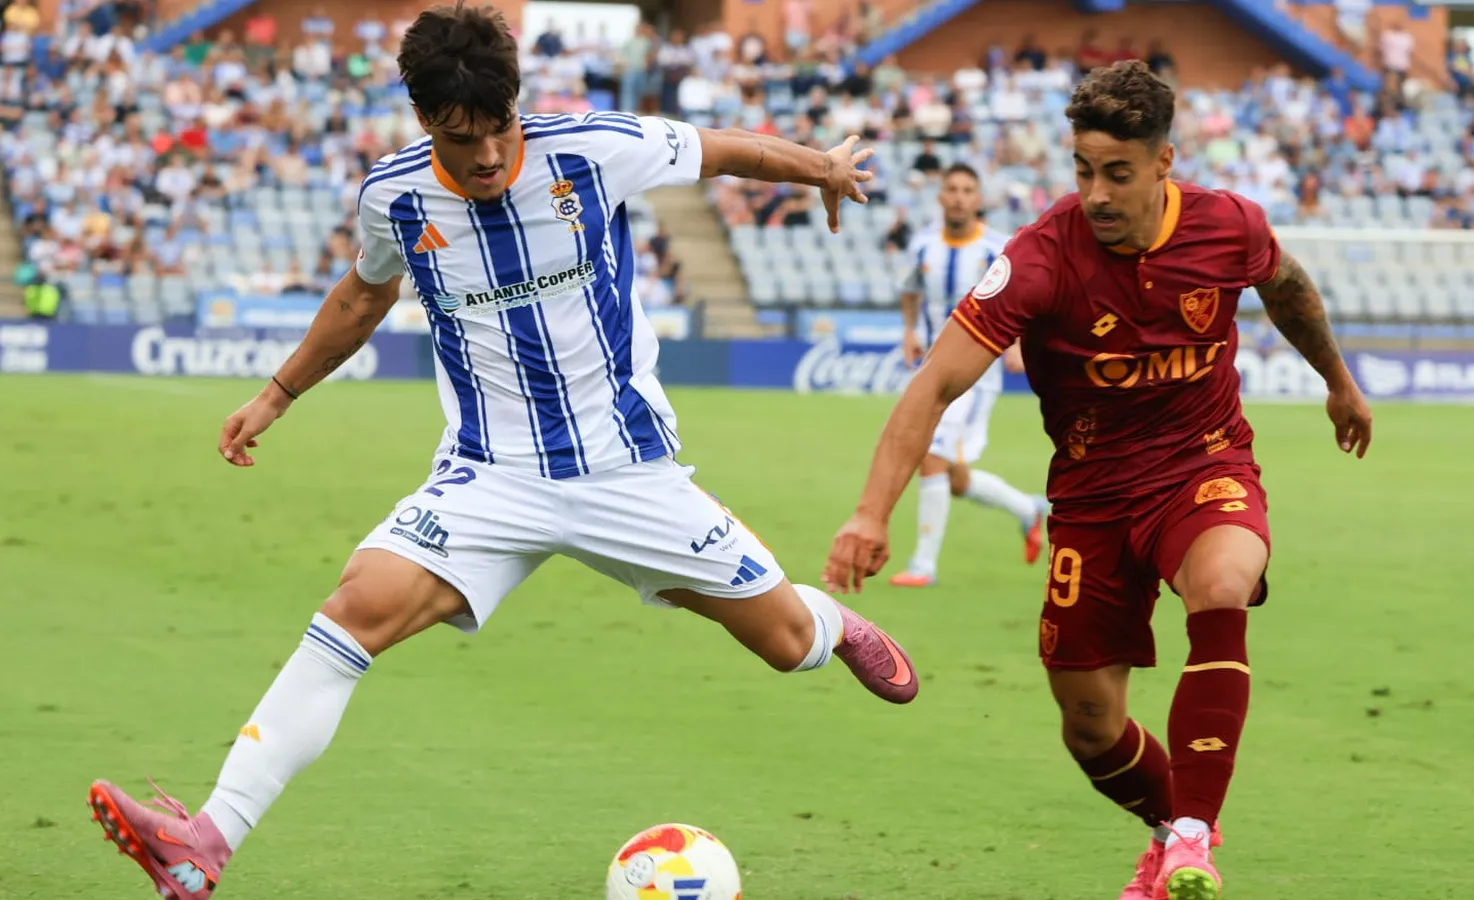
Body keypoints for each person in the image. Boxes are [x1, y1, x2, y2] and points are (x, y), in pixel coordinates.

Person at [86, 6, 919, 899]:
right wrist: (277, 394)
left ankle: (833, 624)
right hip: (490, 477)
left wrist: (822, 167)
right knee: (352, 611)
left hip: (627, 469)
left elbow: (724, 148)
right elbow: (362, 299)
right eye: (458, 137)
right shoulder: (394, 197)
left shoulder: (595, 148)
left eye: (496, 131)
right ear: (424, 122)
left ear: (515, 107)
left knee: (788, 644)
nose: (484, 156)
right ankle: (205, 842)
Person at [824, 61, 1372, 900]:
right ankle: (1167, 834)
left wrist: (1337, 378)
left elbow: (1286, 287)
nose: (1098, 193)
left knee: (1223, 581)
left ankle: (1192, 837)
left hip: (1204, 462)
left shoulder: (1227, 225)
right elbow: (932, 384)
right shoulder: (1040, 258)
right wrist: (870, 513)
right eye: (1083, 171)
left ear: (1164, 162)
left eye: (1118, 172)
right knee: (1090, 727)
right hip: (1091, 497)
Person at [891, 162, 1047, 588]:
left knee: (931, 455)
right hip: (931, 371)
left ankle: (923, 566)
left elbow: (1023, 300)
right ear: (941, 196)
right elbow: (909, 289)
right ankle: (1026, 508)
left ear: (978, 200)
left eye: (967, 190)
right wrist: (909, 330)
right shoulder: (922, 245)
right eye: (952, 189)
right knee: (953, 477)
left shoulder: (997, 248)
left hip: (978, 376)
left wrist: (1016, 344)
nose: (959, 196)